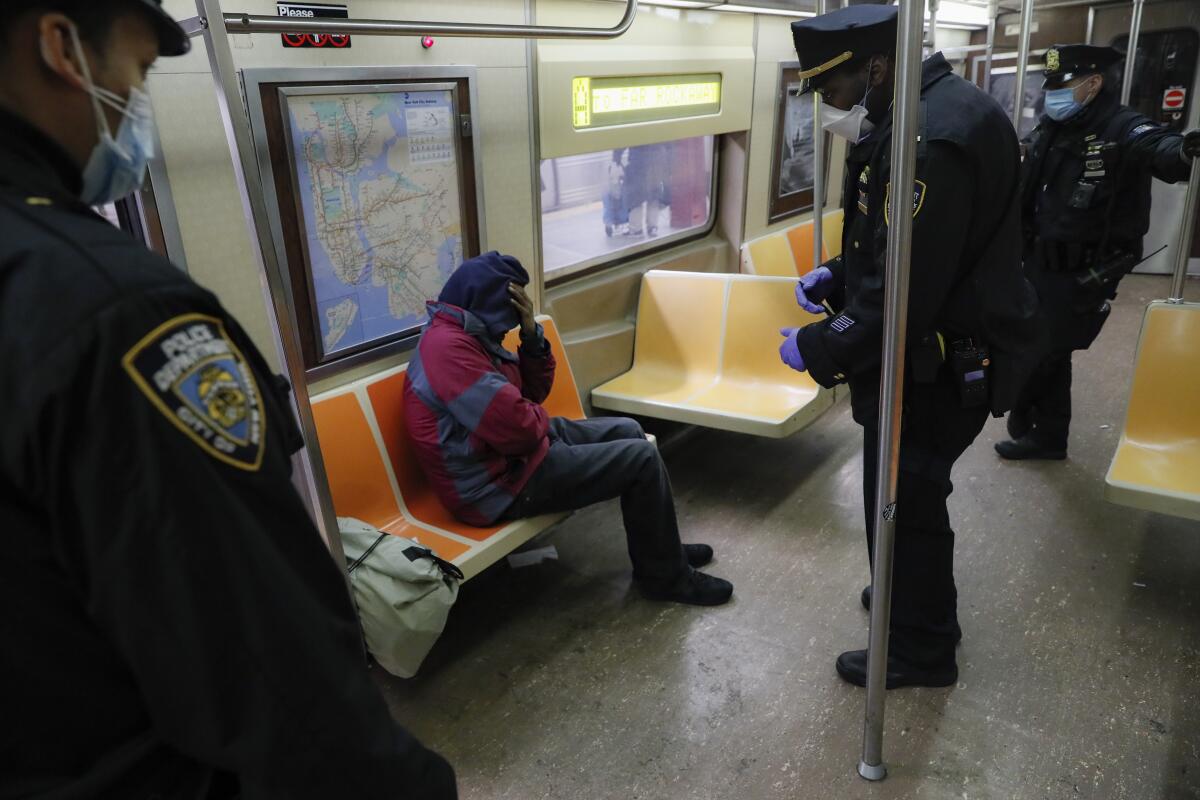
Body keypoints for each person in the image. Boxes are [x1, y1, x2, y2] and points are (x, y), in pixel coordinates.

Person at [0, 2, 456, 797]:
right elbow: (264, 665)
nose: (137, 106)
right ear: (61, 47)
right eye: (138, 74)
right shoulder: (116, 317)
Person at [780, 5, 1040, 688]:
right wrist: (837, 273)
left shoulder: (930, 139)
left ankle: (921, 650)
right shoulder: (926, 116)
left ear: (875, 66)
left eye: (831, 90)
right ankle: (909, 599)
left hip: (936, 365)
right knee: (903, 500)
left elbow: (907, 292)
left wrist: (819, 344)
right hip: (931, 350)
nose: (829, 106)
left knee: (908, 503)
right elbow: (905, 245)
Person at [403, 252, 733, 606]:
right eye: (507, 321)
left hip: (510, 458)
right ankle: (665, 579)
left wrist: (531, 335)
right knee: (640, 459)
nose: (505, 330)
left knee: (629, 429)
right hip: (492, 487)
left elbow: (530, 397)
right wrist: (531, 417)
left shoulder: (471, 335)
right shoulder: (449, 351)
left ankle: (663, 551)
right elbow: (521, 430)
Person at [994, 44, 1200, 460]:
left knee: (1045, 348)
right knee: (1045, 346)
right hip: (1037, 259)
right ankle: (1048, 436)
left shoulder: (1121, 127)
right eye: (1051, 85)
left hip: (1083, 270)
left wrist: (1183, 152)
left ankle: (1028, 415)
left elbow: (1159, 148)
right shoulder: (1054, 126)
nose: (1053, 93)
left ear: (1093, 83)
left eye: (1063, 85)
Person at [603, 148, 628, 237]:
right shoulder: (618, 165)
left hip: (610, 192)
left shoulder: (611, 165)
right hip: (617, 191)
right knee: (622, 208)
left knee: (610, 209)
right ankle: (620, 225)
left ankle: (609, 225)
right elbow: (619, 179)